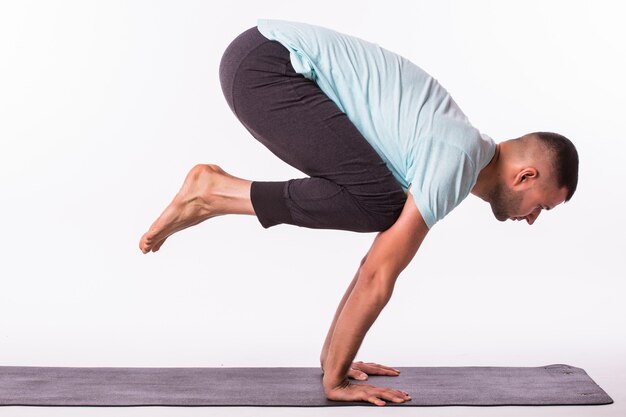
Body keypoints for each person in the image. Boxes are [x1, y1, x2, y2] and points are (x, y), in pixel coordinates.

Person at [139, 19, 579, 406]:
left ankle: (214, 192)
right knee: (381, 204)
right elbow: (378, 276)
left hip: (260, 59)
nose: (534, 217)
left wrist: (336, 360)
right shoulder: (454, 157)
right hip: (266, 65)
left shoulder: (455, 156)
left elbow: (374, 262)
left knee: (381, 205)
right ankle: (211, 190)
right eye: (542, 205)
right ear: (524, 176)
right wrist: (336, 382)